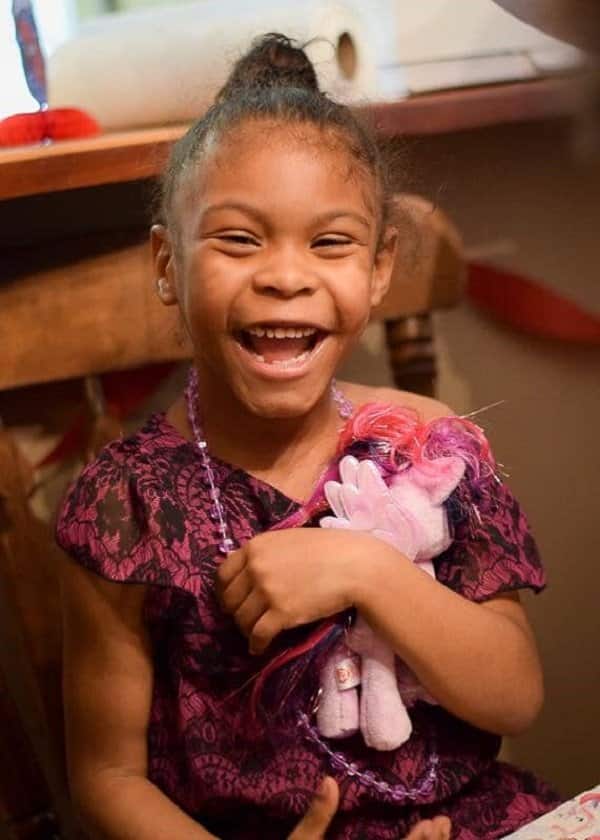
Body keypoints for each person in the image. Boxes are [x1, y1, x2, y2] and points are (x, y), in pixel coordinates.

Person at [56, 34, 561, 840]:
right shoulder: (126, 507)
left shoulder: (426, 446)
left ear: (379, 266)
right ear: (166, 265)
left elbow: (515, 697)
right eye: (238, 239)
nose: (286, 275)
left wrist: (366, 570)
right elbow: (108, 778)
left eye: (329, 242)